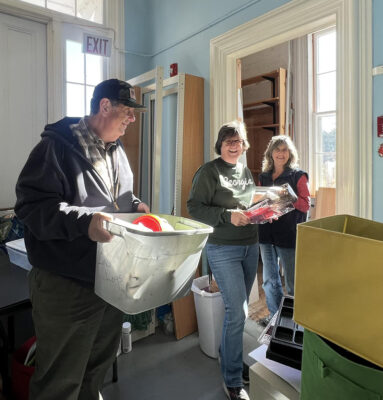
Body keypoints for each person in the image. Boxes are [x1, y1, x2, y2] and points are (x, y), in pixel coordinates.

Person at [15, 78, 149, 400]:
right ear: (104, 106)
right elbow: (32, 208)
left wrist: (136, 206)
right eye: (127, 112)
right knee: (59, 382)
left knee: (95, 372)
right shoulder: (56, 147)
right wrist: (84, 223)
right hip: (66, 286)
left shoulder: (116, 151)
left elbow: (118, 200)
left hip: (109, 280)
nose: (132, 119)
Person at [187, 121, 258, 400]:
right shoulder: (209, 171)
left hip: (250, 245)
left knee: (240, 310)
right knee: (237, 311)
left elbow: (247, 204)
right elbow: (194, 207)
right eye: (228, 141)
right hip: (223, 248)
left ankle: (228, 358)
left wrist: (264, 212)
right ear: (220, 144)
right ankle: (232, 381)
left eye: (238, 141)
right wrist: (227, 216)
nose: (233, 145)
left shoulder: (245, 170)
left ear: (243, 145)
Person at [257, 135, 310, 326]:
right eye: (277, 149)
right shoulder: (263, 177)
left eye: (284, 150)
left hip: (288, 234)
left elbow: (305, 206)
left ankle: (296, 322)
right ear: (271, 153)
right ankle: (275, 319)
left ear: (290, 153)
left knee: (292, 283)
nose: (281, 153)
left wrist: (288, 196)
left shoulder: (298, 175)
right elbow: (263, 204)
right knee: (270, 281)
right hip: (266, 233)